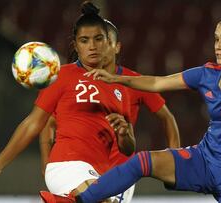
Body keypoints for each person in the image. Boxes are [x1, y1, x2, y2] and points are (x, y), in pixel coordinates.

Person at [74, 13, 221, 203]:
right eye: (216, 40)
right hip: (203, 161)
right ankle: (80, 201)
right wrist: (115, 79)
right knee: (141, 161)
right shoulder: (206, 74)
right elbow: (156, 82)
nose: (218, 46)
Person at [0, 2, 135, 202]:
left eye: (98, 39)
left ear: (108, 43)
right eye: (84, 40)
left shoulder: (120, 87)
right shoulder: (63, 76)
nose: (92, 46)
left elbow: (128, 148)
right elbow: (33, 124)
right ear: (76, 45)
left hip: (100, 172)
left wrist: (123, 134)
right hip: (67, 165)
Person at [38, 19, 181, 203]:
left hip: (120, 172)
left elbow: (167, 117)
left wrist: (174, 157)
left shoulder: (132, 81)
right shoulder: (79, 81)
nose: (98, 47)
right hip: (86, 165)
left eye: (104, 42)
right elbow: (49, 122)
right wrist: (45, 162)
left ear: (116, 47)